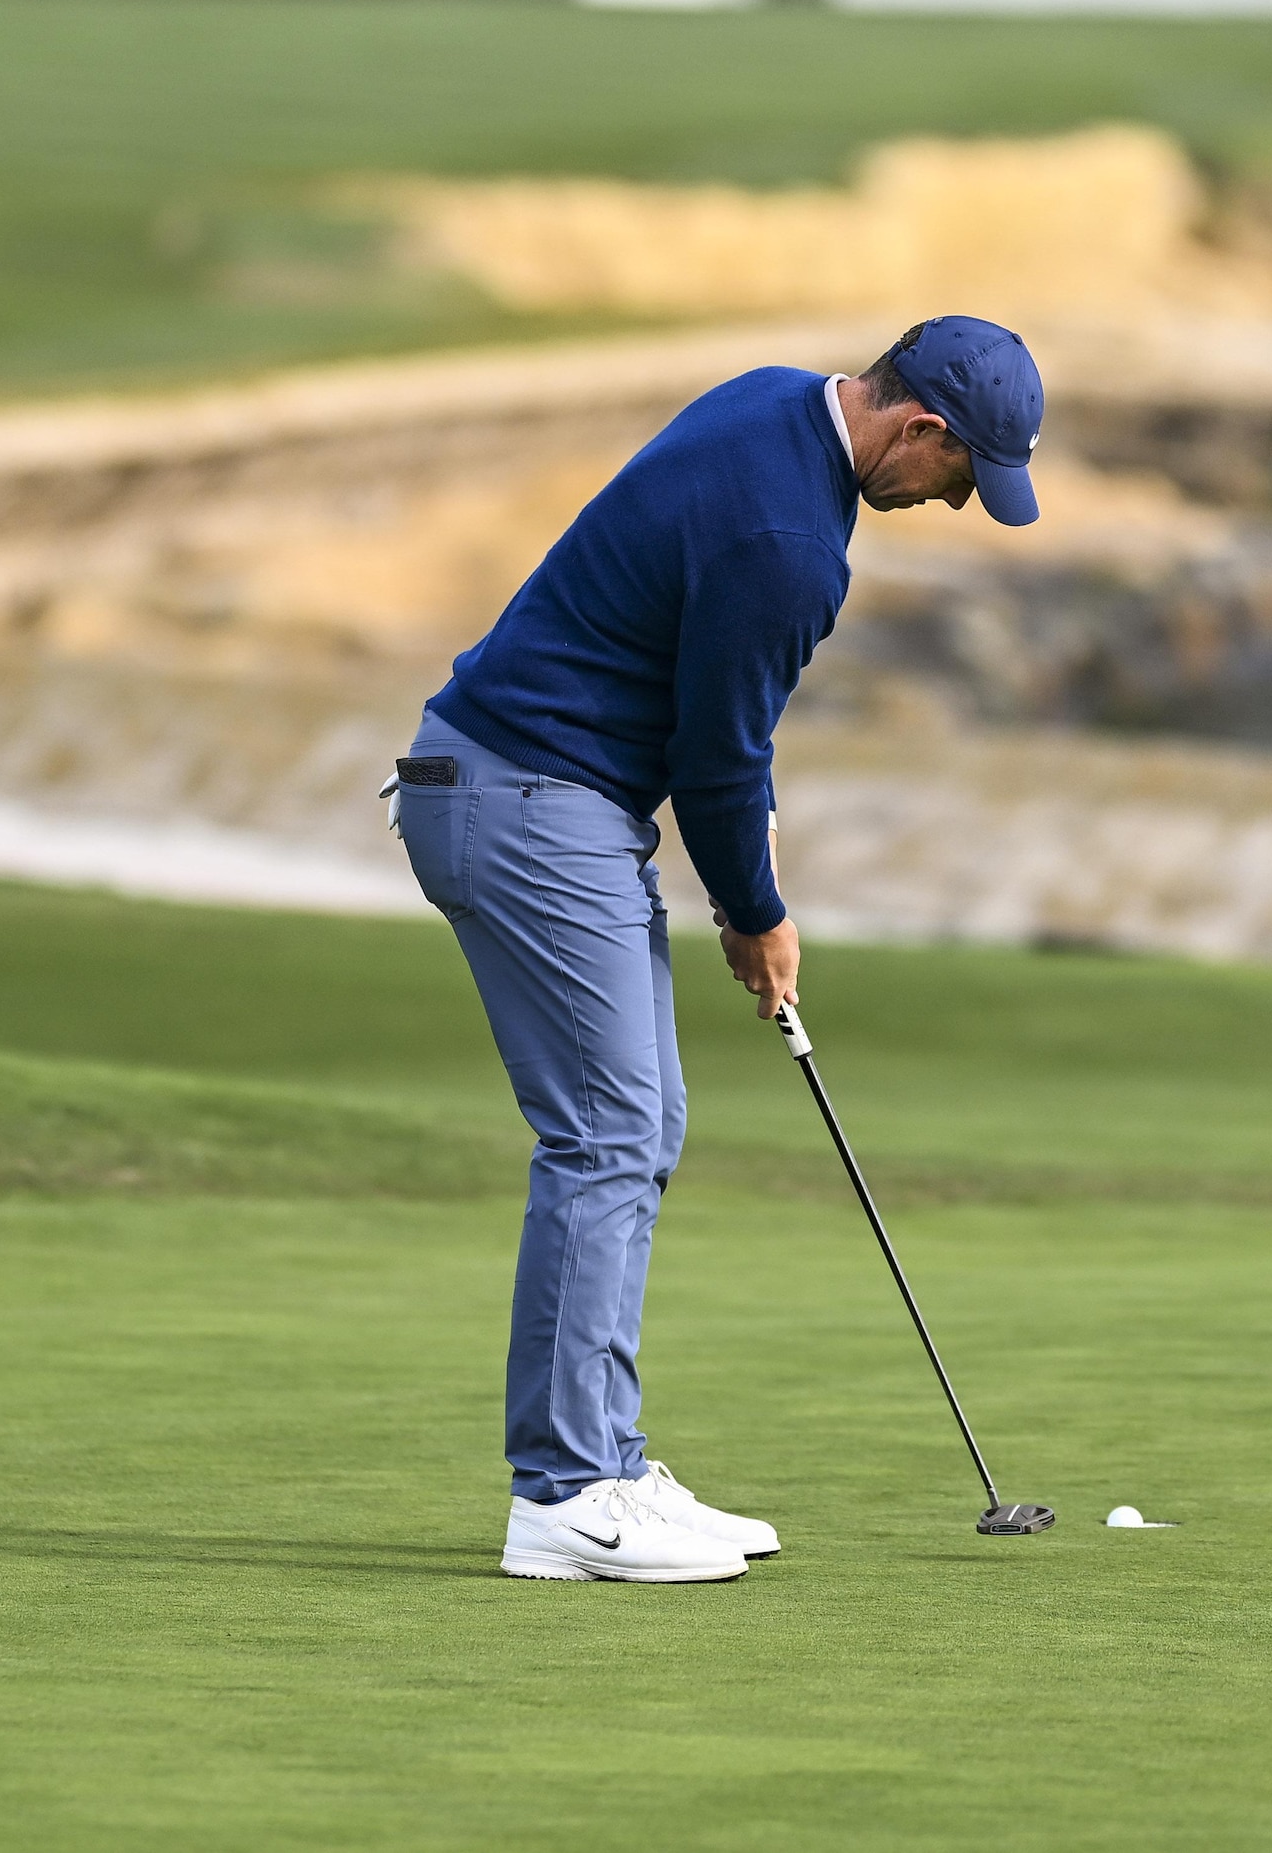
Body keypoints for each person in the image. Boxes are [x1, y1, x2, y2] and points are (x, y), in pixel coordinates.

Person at [391, 315, 1046, 1582]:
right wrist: (757, 916)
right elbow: (717, 761)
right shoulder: (794, 543)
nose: (955, 505)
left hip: (518, 784)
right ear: (918, 429)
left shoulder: (768, 401)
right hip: (530, 798)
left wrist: (748, 851)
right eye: (962, 477)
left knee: (638, 1124)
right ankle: (568, 1494)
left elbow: (707, 708)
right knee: (607, 1135)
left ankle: (604, 1460)